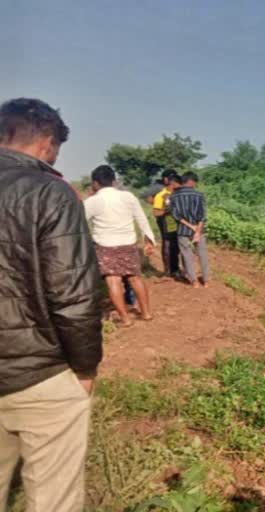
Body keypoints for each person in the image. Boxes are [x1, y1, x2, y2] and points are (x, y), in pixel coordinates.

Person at [0, 98, 103, 511]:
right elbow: (72, 294)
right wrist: (85, 367)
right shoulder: (50, 191)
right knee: (52, 500)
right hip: (39, 371)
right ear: (46, 142)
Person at [84, 165, 156, 326]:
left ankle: (125, 319)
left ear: (95, 183)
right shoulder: (128, 197)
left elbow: (79, 221)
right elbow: (142, 218)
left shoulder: (93, 201)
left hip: (106, 246)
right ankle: (146, 313)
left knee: (113, 280)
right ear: (114, 181)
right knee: (135, 278)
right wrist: (149, 239)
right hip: (128, 244)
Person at [171, 172, 210, 288]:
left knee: (186, 255)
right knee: (202, 254)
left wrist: (190, 226)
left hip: (182, 230)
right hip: (199, 229)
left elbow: (176, 216)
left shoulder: (173, 196)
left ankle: (194, 281)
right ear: (192, 181)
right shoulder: (199, 195)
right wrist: (197, 231)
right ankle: (206, 280)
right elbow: (202, 216)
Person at [152, 171, 182, 277]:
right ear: (172, 184)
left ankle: (176, 269)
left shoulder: (178, 194)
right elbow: (156, 212)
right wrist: (167, 211)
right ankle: (168, 271)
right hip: (166, 223)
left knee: (176, 247)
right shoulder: (161, 196)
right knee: (168, 245)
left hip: (178, 224)